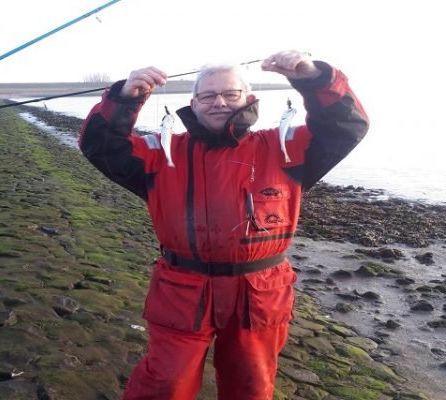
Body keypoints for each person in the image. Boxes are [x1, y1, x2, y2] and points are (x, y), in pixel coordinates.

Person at [79, 50, 369, 400]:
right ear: (194, 103)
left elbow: (344, 126)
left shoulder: (286, 147)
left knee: (251, 386)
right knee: (165, 384)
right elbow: (100, 146)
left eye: (230, 94)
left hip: (259, 293)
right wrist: (124, 98)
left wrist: (313, 77)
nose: (219, 102)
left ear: (248, 98)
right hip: (181, 290)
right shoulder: (161, 152)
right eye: (208, 95)